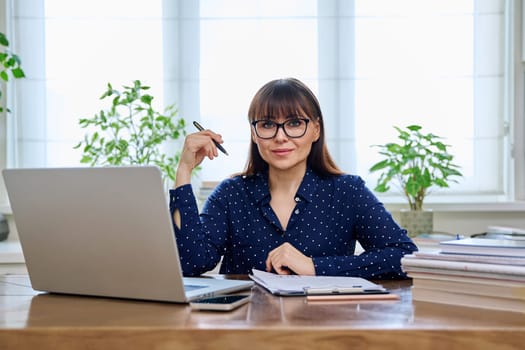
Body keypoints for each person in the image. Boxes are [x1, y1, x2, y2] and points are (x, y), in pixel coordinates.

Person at [170, 78, 417, 278]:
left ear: (316, 130)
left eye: (295, 123)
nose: (281, 137)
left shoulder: (347, 191)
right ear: (254, 134)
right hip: (245, 330)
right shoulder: (231, 194)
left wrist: (314, 267)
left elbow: (404, 256)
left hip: (324, 327)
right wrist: (184, 171)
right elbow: (190, 263)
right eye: (267, 124)